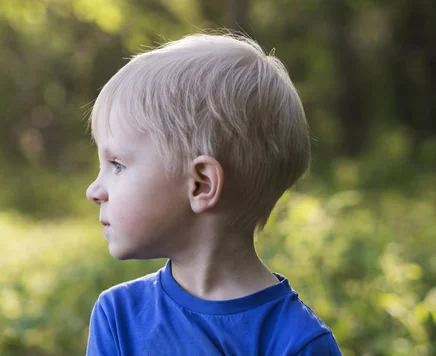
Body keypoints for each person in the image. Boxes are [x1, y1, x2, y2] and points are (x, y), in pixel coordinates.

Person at [85, 33, 341, 355]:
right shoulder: (118, 316)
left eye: (117, 165)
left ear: (201, 184)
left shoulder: (297, 343)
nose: (94, 190)